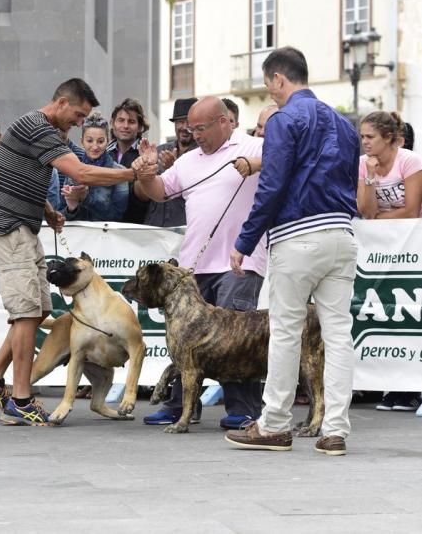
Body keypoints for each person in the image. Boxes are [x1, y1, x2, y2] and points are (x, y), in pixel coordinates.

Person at [0, 78, 156, 427]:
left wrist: (47, 210)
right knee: (25, 314)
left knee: (38, 312)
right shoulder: (36, 126)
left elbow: (15, 175)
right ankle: (20, 399)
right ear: (62, 103)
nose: (81, 123)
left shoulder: (48, 133)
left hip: (23, 227)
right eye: (79, 115)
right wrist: (131, 172)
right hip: (7, 229)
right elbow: (82, 172)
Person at [226, 46, 360, 456]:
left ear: (279, 79)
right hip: (341, 232)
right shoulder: (346, 124)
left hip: (298, 234)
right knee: (338, 335)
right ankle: (334, 430)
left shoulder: (286, 119)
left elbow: (273, 184)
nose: (272, 95)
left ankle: (274, 425)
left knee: (285, 331)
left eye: (270, 87)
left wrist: (245, 241)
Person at [134, 96, 267, 429]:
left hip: (241, 259)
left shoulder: (252, 146)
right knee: (184, 338)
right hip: (193, 265)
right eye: (190, 128)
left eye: (201, 128)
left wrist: (254, 164)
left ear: (225, 121)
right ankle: (181, 405)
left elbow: (286, 160)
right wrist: (147, 173)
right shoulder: (188, 160)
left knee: (237, 337)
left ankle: (242, 408)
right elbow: (160, 192)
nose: (194, 135)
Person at [358, 111, 422, 412]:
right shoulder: (362, 165)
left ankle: (410, 389)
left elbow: (411, 210)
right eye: (362, 137)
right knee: (383, 312)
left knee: (410, 312)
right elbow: (365, 211)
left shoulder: (408, 160)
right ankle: (390, 387)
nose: (365, 143)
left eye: (370, 137)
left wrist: (379, 217)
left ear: (388, 138)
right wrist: (370, 177)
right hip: (380, 248)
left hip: (411, 246)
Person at [62, 112, 128, 222]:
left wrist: (86, 198)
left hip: (107, 237)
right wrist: (71, 208)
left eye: (101, 141)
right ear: (81, 141)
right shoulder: (72, 170)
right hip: (77, 236)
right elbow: (62, 214)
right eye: (89, 140)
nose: (95, 146)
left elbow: (118, 216)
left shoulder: (119, 172)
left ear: (108, 141)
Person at [144, 97, 197, 227]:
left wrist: (174, 169)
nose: (184, 127)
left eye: (188, 122)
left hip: (184, 229)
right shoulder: (159, 150)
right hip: (154, 228)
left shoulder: (203, 155)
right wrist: (144, 168)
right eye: (180, 122)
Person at [108, 98, 150, 223]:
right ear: (112, 123)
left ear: (140, 127)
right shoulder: (103, 154)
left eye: (131, 121)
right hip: (105, 227)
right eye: (121, 120)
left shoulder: (146, 155)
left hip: (136, 228)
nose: (125, 126)